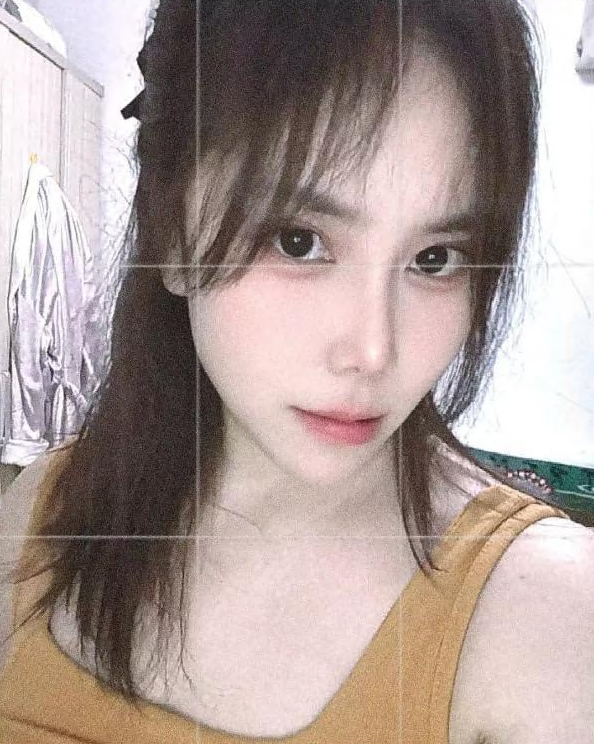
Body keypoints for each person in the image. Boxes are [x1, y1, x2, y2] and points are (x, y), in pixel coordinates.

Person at [1, 0, 593, 741]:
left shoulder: (547, 620)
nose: (373, 351)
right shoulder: (43, 512)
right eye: (299, 241)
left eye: (435, 258)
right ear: (172, 230)